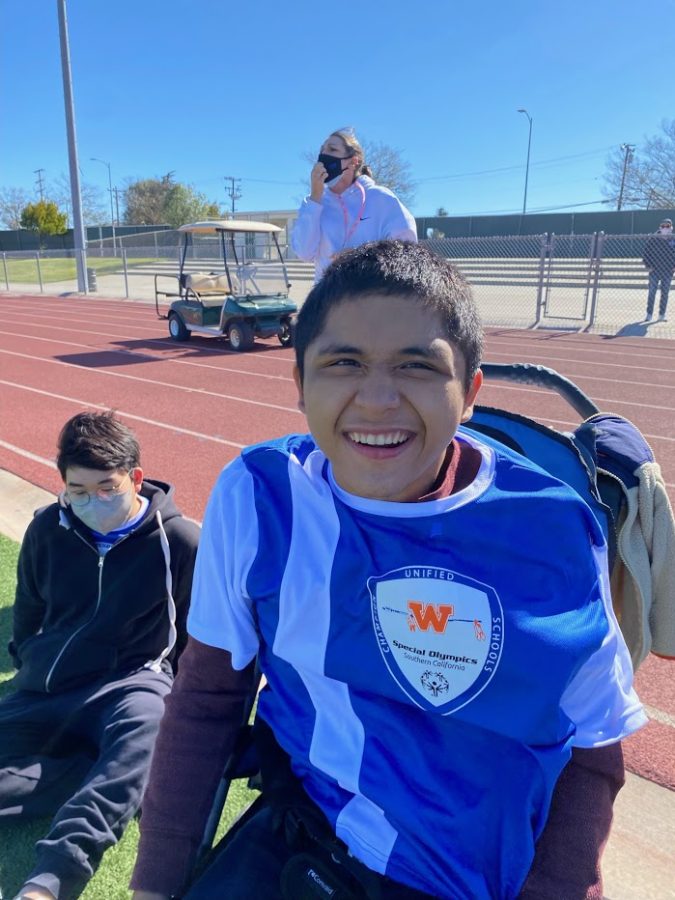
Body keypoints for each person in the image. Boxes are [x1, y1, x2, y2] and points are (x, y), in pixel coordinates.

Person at [130, 241, 645, 900]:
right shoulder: (261, 498)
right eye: (342, 362)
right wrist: (154, 885)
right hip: (315, 832)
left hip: (479, 878)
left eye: (416, 365)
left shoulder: (551, 530)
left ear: (469, 394)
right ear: (299, 386)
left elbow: (592, 751)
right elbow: (205, 701)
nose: (376, 399)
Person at [0, 411, 200, 900]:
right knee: (111, 766)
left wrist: (171, 687)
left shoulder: (180, 540)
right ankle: (85, 769)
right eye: (78, 491)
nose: (92, 502)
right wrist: (28, 658)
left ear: (134, 478)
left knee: (150, 721)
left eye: (106, 488)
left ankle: (49, 883)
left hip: (132, 683)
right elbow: (28, 606)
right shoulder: (49, 527)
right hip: (51, 682)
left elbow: (198, 634)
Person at [291, 128, 417, 281]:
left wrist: (362, 255)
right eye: (322, 150)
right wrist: (315, 197)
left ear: (353, 161)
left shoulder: (380, 198)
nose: (323, 155)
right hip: (327, 300)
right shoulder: (314, 203)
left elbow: (407, 251)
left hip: (370, 298)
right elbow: (304, 253)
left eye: (332, 149)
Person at [642, 217, 675, 321]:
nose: (665, 228)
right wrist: (648, 266)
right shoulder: (653, 238)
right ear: (660, 227)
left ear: (671, 227)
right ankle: (649, 314)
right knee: (652, 293)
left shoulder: (674, 239)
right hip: (654, 271)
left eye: (667, 226)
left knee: (665, 293)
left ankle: (661, 315)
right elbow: (646, 253)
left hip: (668, 271)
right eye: (663, 226)